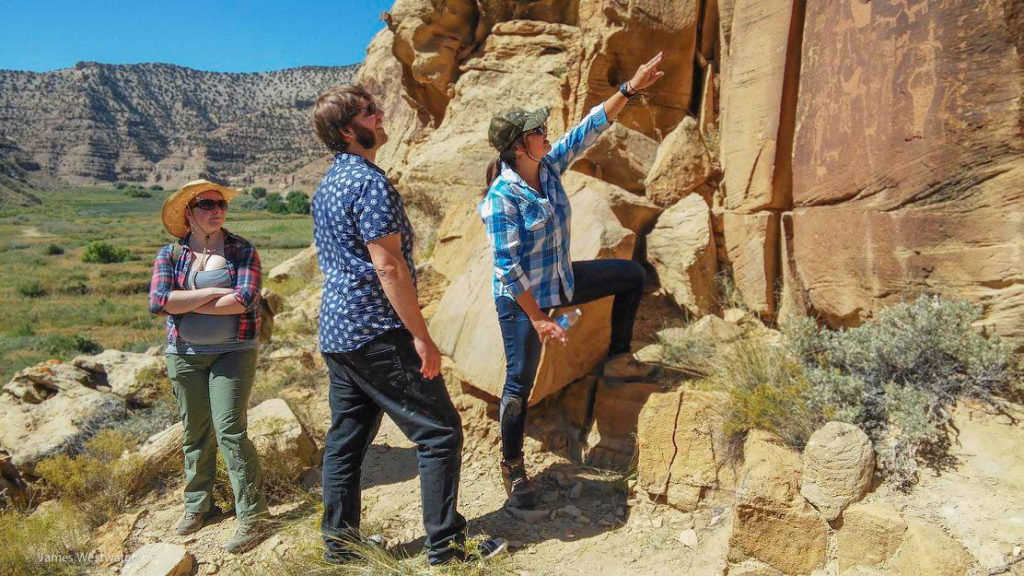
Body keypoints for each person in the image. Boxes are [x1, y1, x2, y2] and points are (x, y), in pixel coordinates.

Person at [311, 85, 506, 566]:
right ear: (346, 131)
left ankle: (340, 547)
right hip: (376, 330)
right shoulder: (368, 183)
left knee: (346, 439)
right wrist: (421, 336)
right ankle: (446, 546)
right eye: (368, 113)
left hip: (338, 334)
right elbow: (389, 266)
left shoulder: (327, 186)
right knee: (440, 431)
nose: (380, 116)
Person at [480, 53, 666, 509]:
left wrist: (630, 87)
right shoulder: (501, 198)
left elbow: (588, 129)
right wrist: (540, 319)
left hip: (560, 282)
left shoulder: (547, 167)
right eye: (537, 132)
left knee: (630, 275)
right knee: (519, 383)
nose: (547, 134)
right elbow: (507, 268)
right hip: (522, 300)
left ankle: (619, 359)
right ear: (519, 147)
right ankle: (513, 468)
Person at [148, 179, 269, 553]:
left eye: (221, 204)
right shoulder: (170, 255)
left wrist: (185, 300)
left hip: (234, 351)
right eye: (207, 204)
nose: (217, 209)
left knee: (231, 430)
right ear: (189, 212)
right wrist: (216, 293)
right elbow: (159, 302)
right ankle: (198, 506)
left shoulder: (242, 250)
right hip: (184, 354)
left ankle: (253, 517)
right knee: (195, 433)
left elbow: (246, 299)